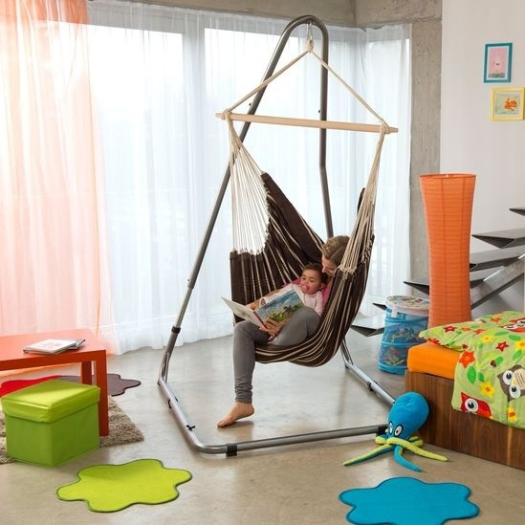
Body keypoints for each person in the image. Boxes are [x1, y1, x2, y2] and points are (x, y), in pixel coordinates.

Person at [217, 235, 349, 428]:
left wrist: (284, 324)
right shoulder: (310, 277)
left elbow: (322, 319)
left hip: (311, 332)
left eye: (329, 268)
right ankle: (243, 401)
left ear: (343, 266)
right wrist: (258, 305)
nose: (323, 271)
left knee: (305, 312)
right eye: (323, 264)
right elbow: (284, 292)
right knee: (242, 329)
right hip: (281, 328)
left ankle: (274, 345)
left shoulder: (343, 284)